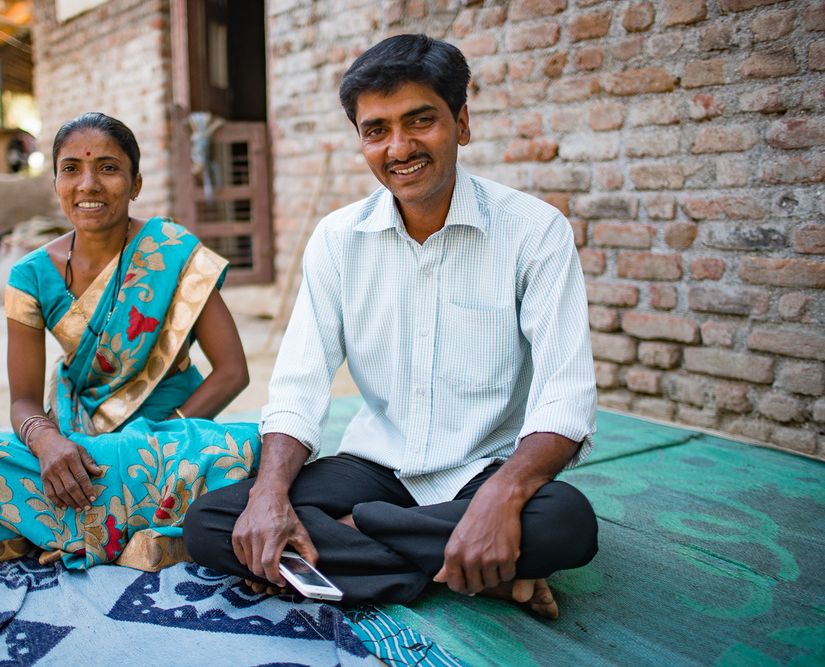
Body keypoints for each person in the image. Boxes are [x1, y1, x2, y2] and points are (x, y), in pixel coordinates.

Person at [183, 35, 598, 618]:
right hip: (374, 467)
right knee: (213, 521)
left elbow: (565, 395)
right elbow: (300, 384)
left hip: (483, 469)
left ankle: (346, 547)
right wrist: (270, 494)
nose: (398, 147)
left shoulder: (535, 231)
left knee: (567, 522)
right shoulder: (337, 239)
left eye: (420, 121)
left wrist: (501, 498)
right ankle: (475, 570)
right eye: (376, 130)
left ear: (462, 124)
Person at [0, 112, 260, 572]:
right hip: (78, 448)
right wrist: (48, 445)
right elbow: (23, 401)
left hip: (171, 444)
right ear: (56, 182)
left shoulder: (173, 251)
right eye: (71, 169)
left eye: (108, 167)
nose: (88, 184)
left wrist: (146, 442)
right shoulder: (30, 276)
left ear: (135, 183)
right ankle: (149, 531)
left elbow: (232, 372)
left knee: (255, 453)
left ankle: (51, 528)